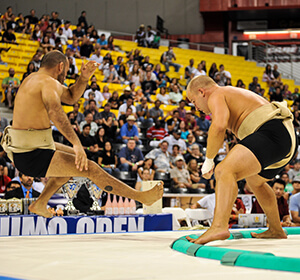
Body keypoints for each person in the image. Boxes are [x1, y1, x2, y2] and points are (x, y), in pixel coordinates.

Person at [1, 50, 163, 218]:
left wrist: (83, 78)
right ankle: (141, 197)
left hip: (27, 147)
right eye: (66, 71)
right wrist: (76, 143)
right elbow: (55, 112)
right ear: (61, 66)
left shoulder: (33, 79)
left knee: (79, 159)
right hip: (31, 153)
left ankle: (40, 203)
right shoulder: (48, 83)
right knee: (89, 168)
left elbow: (71, 97)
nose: (65, 76)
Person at [186, 75, 296, 244]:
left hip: (272, 131)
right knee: (254, 182)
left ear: (201, 92)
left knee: (224, 170)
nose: (195, 107)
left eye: (193, 101)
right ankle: (276, 229)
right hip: (285, 139)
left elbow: (219, 126)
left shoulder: (217, 94)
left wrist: (209, 160)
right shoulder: (231, 95)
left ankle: (219, 227)